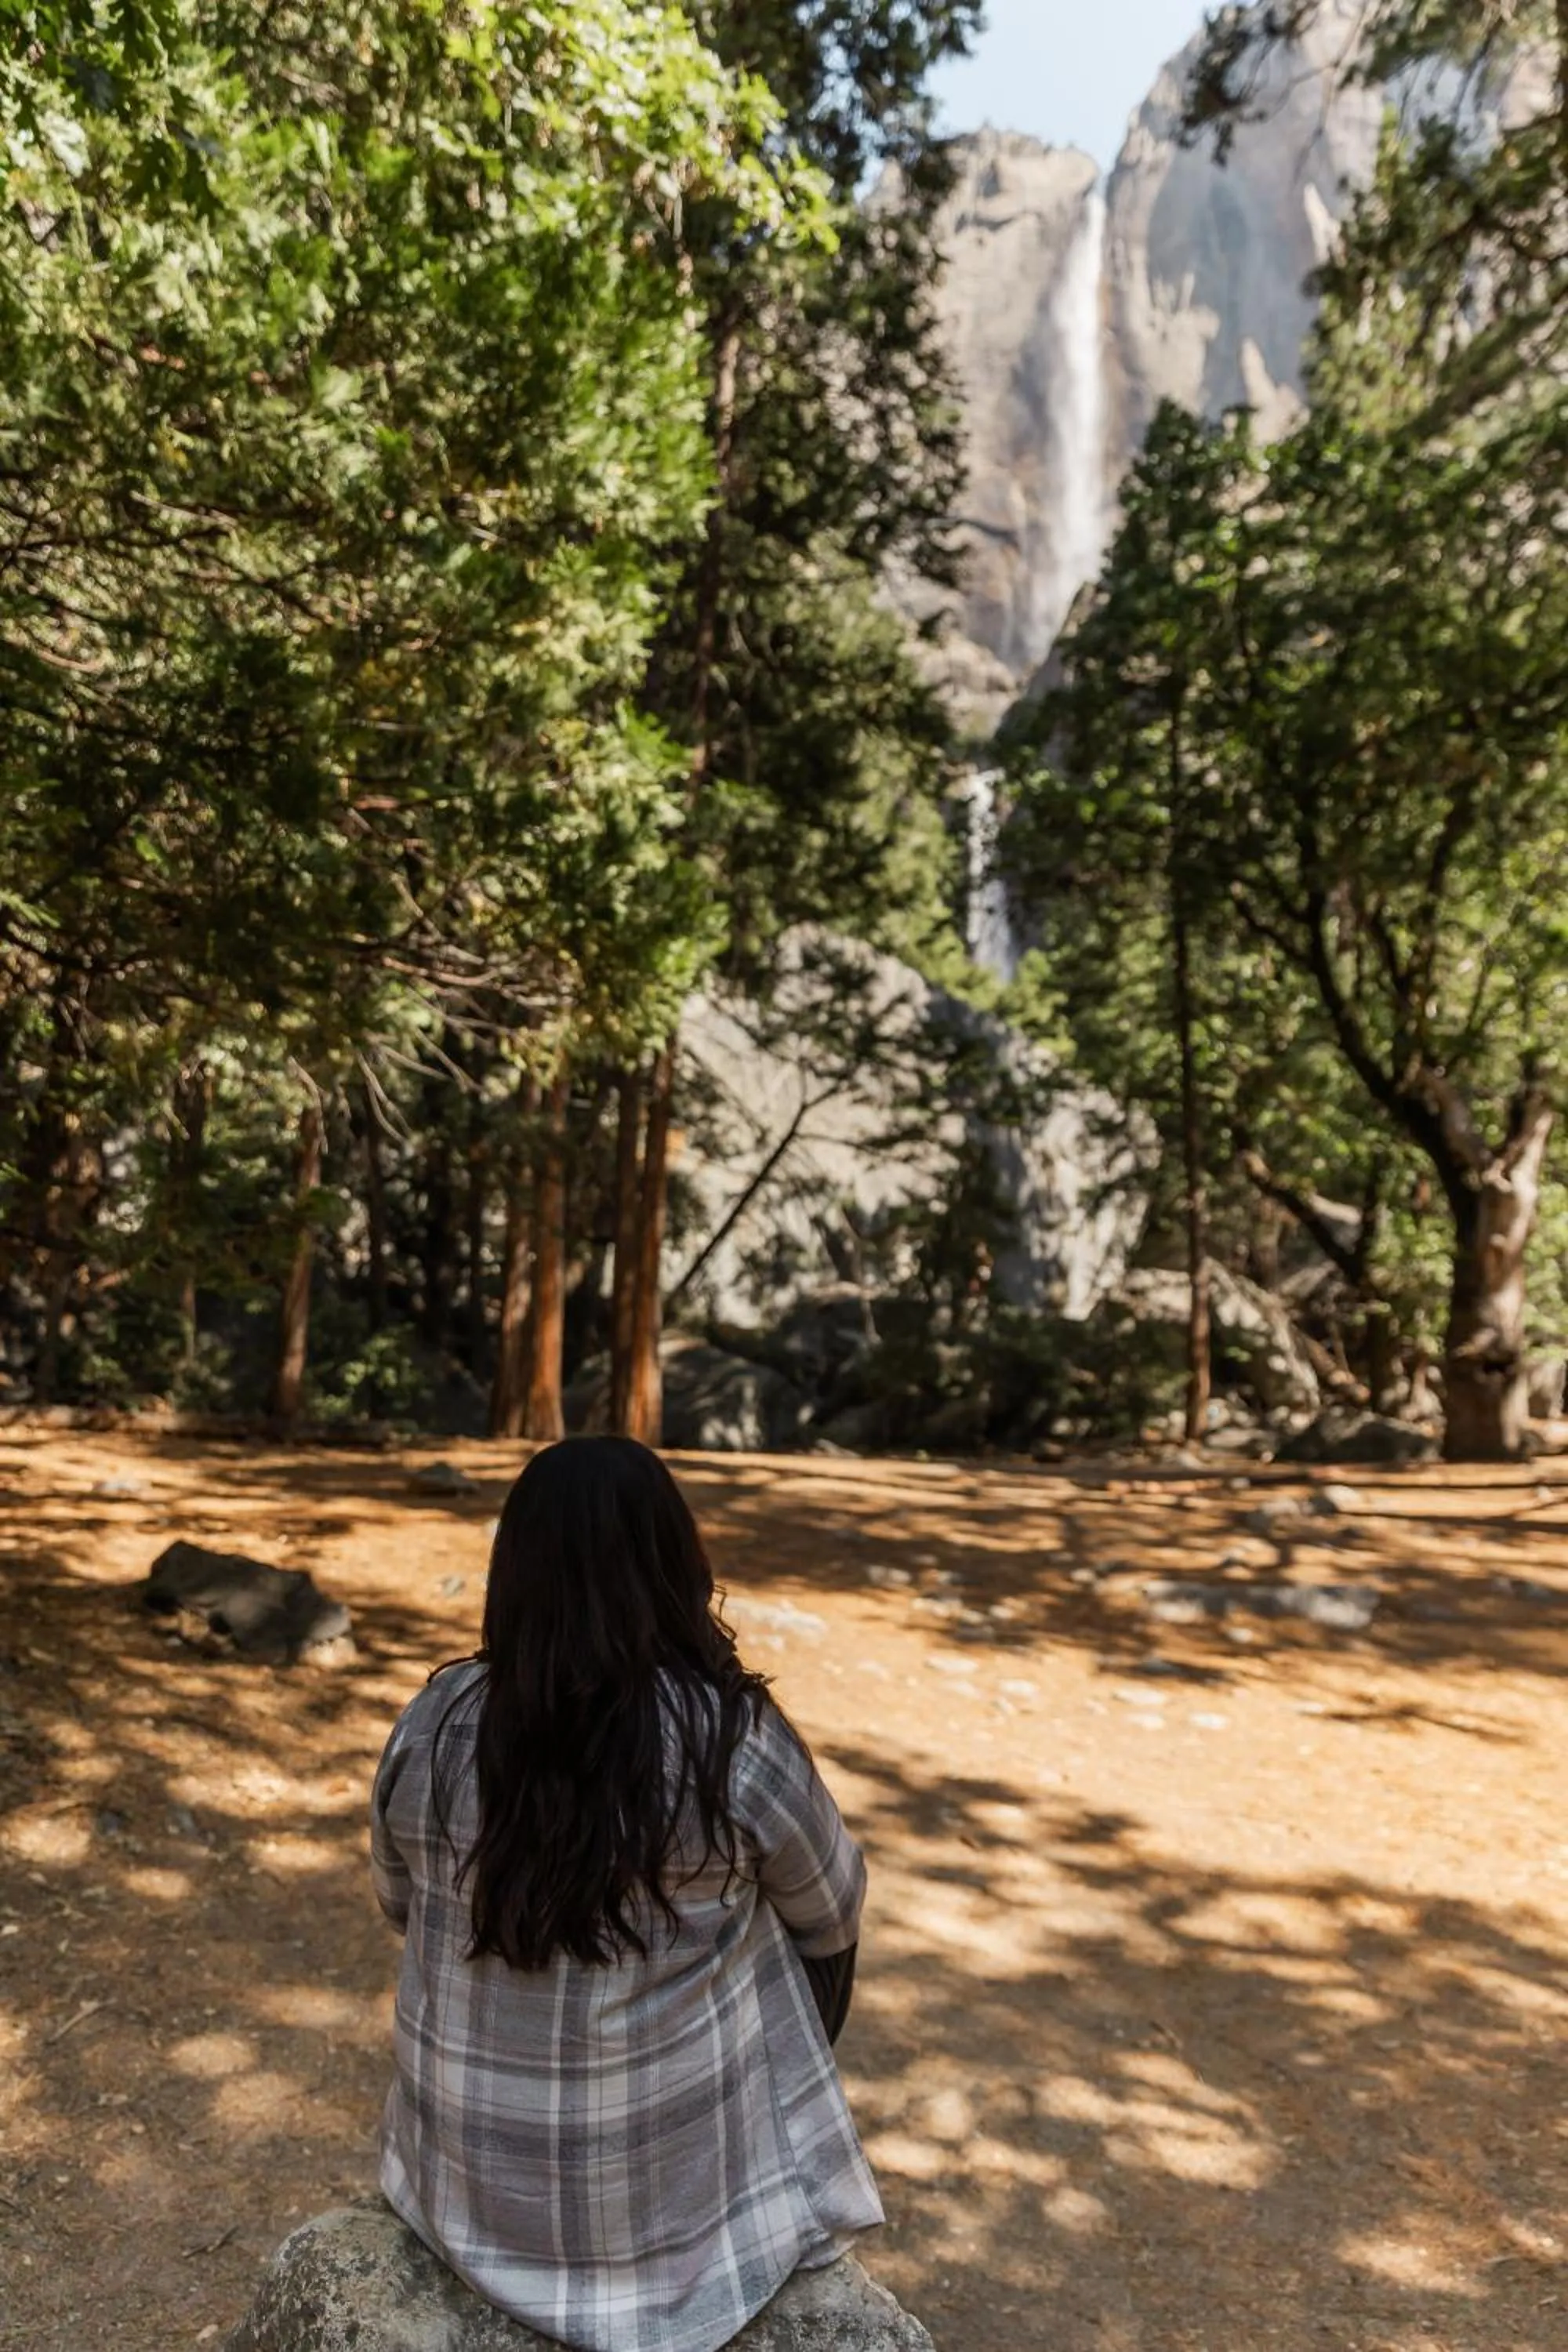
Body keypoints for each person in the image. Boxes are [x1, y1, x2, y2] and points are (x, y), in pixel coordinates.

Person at [369, 1436, 882, 2352]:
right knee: (772, 1914)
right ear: (671, 1562)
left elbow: (400, 1906)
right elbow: (834, 1913)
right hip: (659, 2224)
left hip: (461, 2199)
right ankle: (761, 2176)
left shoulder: (432, 1722)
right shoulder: (729, 1739)